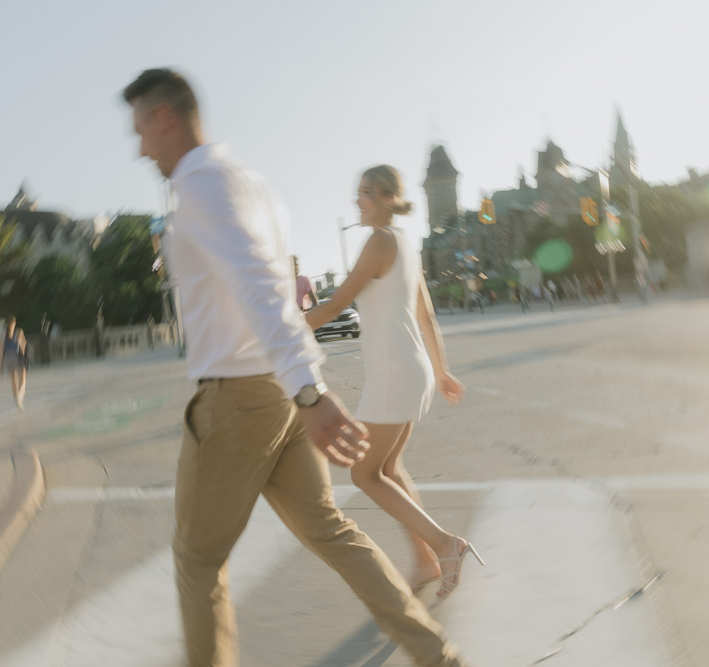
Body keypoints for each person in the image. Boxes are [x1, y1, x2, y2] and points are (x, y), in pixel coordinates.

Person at [124, 68, 467, 667]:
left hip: (237, 398)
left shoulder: (201, 186)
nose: (140, 147)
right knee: (333, 532)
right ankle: (437, 656)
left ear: (164, 118)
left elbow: (260, 289)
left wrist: (308, 391)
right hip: (279, 393)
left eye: (141, 131)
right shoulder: (248, 182)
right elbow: (279, 286)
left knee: (197, 562)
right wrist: (303, 385)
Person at [306, 165, 483, 599]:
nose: (358, 200)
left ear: (387, 197)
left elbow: (336, 304)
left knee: (364, 473)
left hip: (394, 374)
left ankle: (446, 545)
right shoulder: (405, 244)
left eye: (366, 192)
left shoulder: (380, 241)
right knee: (388, 469)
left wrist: (278, 330)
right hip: (413, 369)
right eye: (359, 192)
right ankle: (424, 562)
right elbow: (426, 316)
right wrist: (439, 371)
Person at [0, 316, 26, 410]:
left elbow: (1, 351)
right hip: (16, 356)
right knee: (23, 379)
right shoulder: (19, 332)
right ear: (14, 323)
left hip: (7, 358)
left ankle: (16, 399)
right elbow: (22, 348)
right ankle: (19, 398)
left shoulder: (2, 334)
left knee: (13, 380)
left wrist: (0, 364)